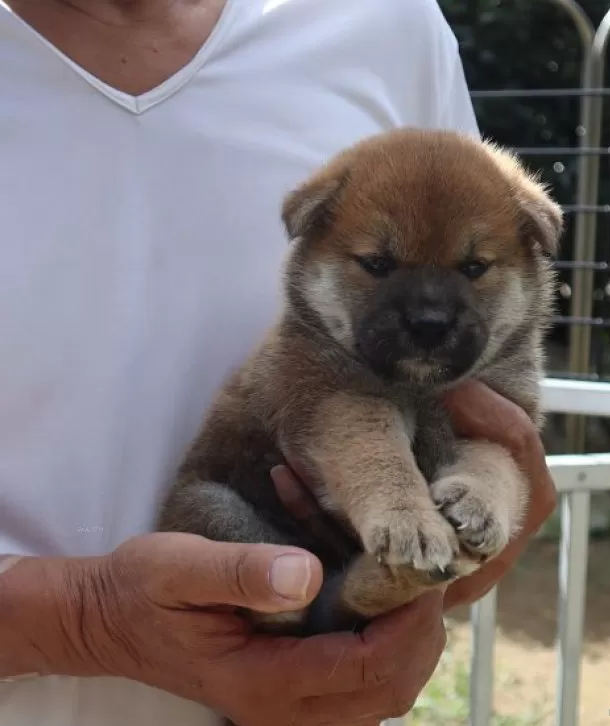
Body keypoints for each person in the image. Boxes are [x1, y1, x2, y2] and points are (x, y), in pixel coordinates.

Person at [0, 0, 557, 725]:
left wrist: (455, 544)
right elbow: (337, 410)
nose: (427, 312)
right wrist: (86, 621)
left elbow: (468, 521)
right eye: (378, 264)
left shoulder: (385, 27)